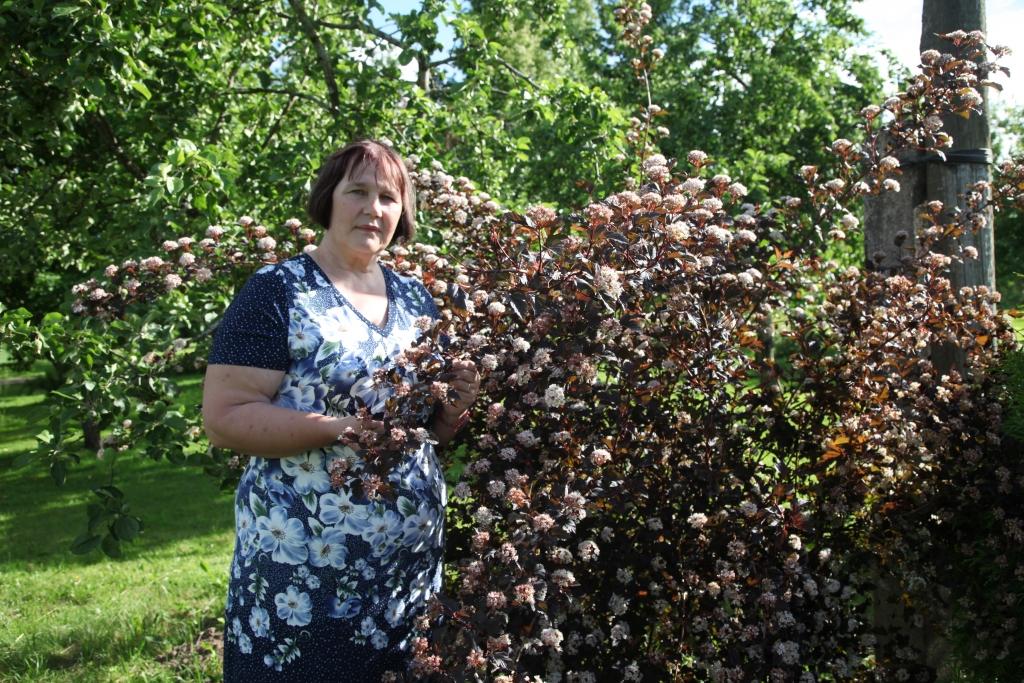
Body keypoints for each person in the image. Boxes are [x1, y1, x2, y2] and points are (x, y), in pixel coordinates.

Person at [202, 139, 479, 681]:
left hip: (406, 574)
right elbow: (225, 416)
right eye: (357, 191)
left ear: (403, 214)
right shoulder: (277, 291)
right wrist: (341, 429)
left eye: (388, 198)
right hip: (304, 572)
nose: (373, 208)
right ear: (328, 198)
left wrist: (453, 410)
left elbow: (431, 433)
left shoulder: (416, 299)